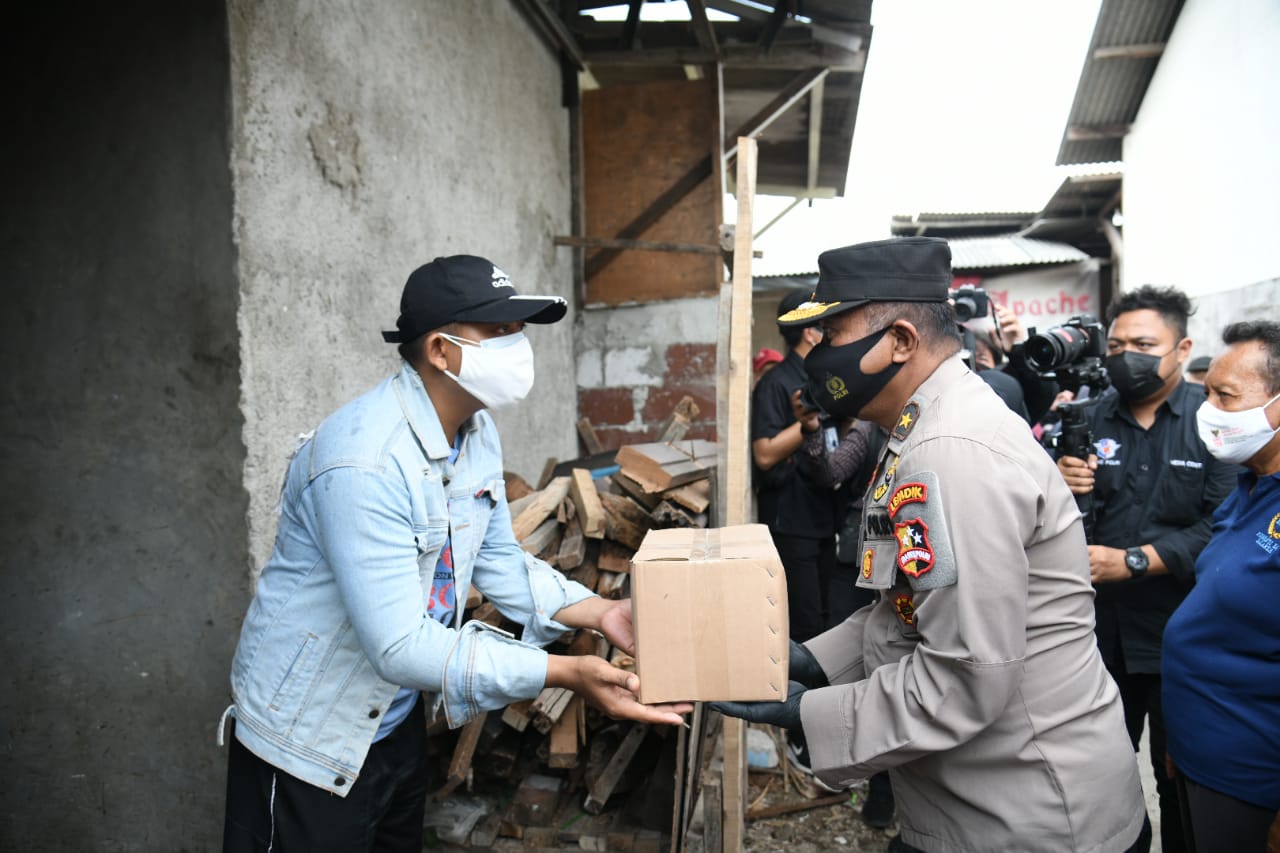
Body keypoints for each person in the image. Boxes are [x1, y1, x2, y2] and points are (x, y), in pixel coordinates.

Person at [218, 256, 689, 852]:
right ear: (440, 351)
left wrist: (598, 612)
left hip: (388, 723)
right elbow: (400, 646)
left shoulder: (474, 433)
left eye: (518, 330)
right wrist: (565, 672)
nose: (517, 345)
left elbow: (496, 559)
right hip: (309, 739)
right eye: (497, 332)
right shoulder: (365, 461)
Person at [715, 236, 1145, 853]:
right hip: (983, 802)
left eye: (832, 336)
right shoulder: (920, 427)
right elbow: (910, 608)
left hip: (1027, 817)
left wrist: (812, 715)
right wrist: (820, 662)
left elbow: (967, 676)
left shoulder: (950, 452)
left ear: (900, 340)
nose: (818, 357)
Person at [1056, 285, 1238, 853]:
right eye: (1116, 344)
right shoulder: (1086, 418)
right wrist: (1059, 487)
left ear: (1181, 347)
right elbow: (1049, 522)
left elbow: (1222, 524)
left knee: (1177, 778)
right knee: (1096, 778)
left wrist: (1134, 562)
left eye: (1143, 343)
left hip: (1179, 637)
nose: (1125, 354)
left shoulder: (1214, 424)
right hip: (1094, 637)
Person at [1162, 320, 1280, 852]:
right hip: (1201, 752)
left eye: (1225, 396)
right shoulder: (1250, 485)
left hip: (1251, 775)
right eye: (1205, 391)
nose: (1206, 410)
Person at [791, 408, 897, 829]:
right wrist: (814, 433)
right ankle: (857, 770)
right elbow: (832, 470)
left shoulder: (936, 432)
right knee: (862, 656)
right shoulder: (870, 432)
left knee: (892, 663)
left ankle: (882, 785)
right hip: (861, 553)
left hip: (897, 559)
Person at [751, 288, 836, 643]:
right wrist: (807, 425)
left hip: (823, 517)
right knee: (804, 624)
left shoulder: (824, 380)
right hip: (791, 520)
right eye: (826, 328)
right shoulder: (775, 383)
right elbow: (765, 453)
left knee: (827, 617)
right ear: (809, 332)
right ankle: (798, 698)